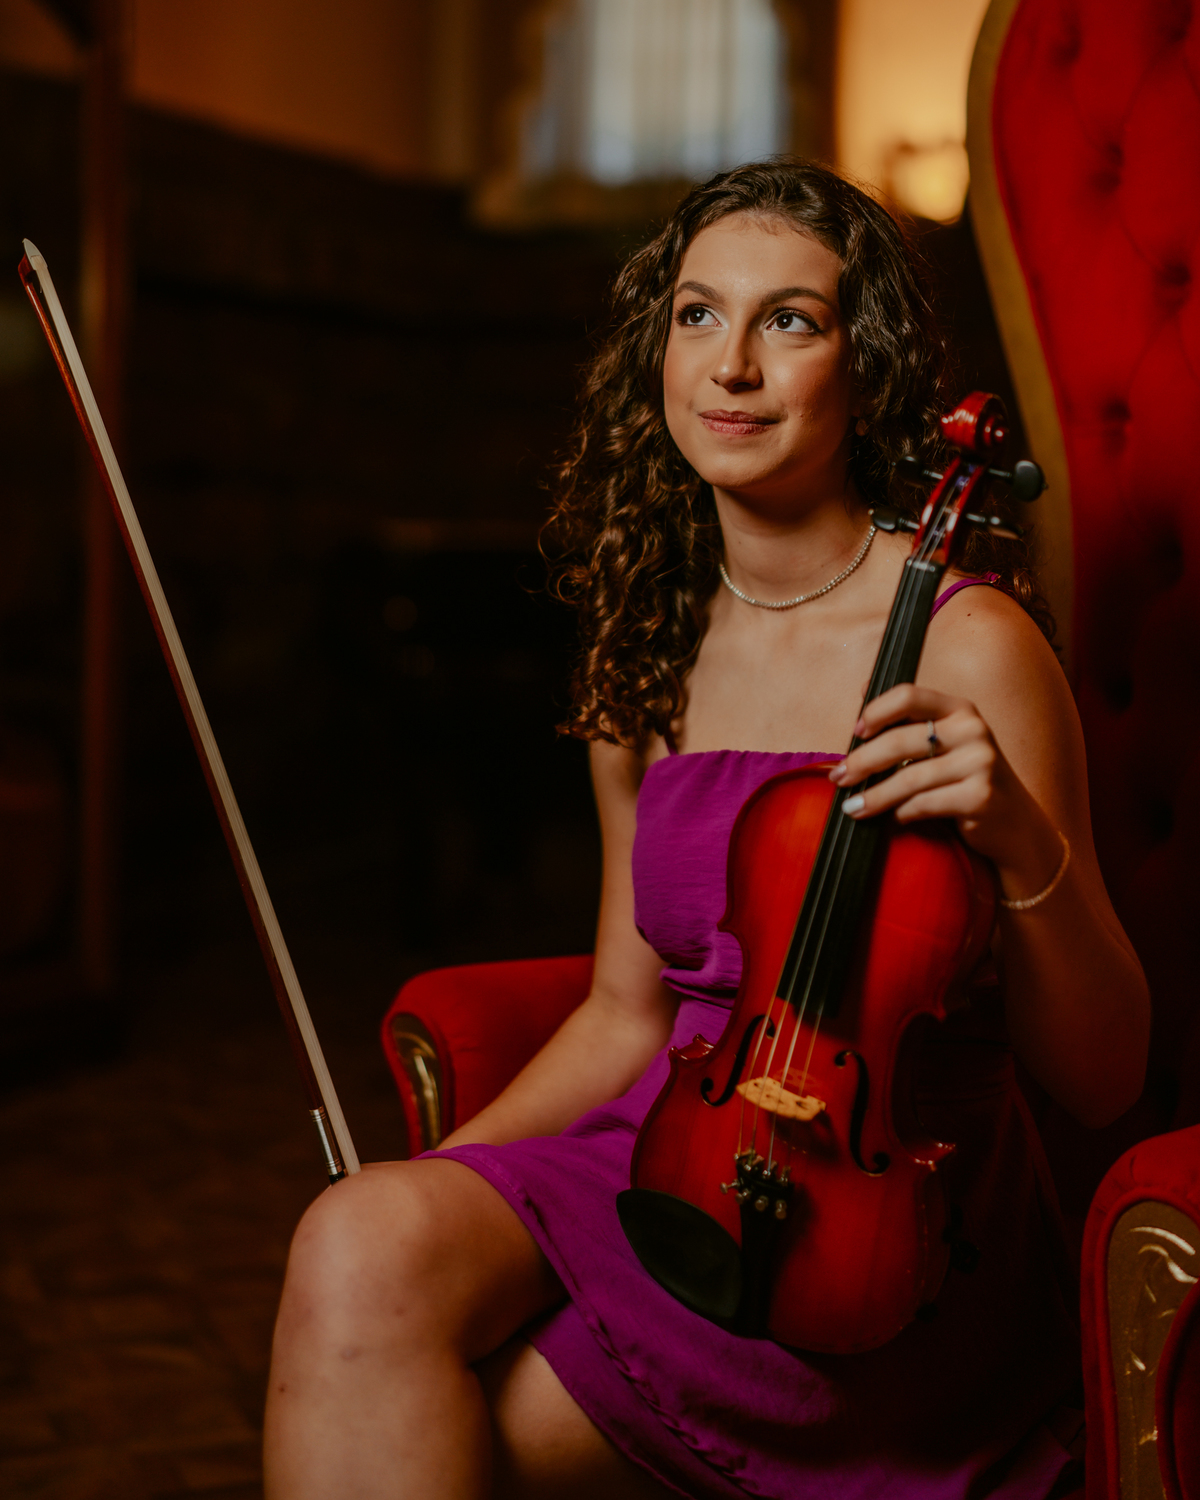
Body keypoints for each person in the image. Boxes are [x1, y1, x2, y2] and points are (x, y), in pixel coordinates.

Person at [262, 161, 1149, 1500]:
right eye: (697, 315)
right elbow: (625, 1014)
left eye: (789, 320)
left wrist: (1027, 847)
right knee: (358, 1240)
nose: (731, 365)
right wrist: (441, 1182)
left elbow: (1104, 1077)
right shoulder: (646, 645)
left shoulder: (974, 646)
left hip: (883, 1239)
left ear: (867, 369)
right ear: (658, 352)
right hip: (660, 1156)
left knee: (421, 1409)